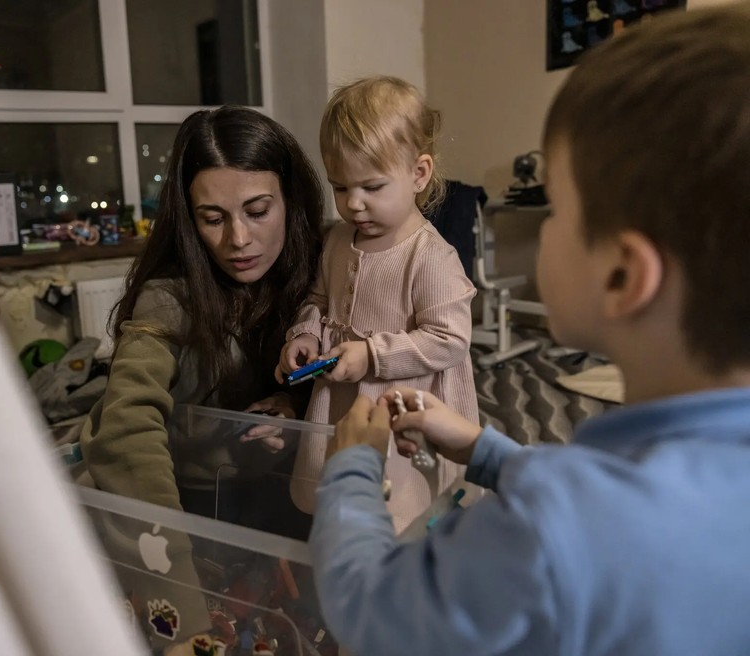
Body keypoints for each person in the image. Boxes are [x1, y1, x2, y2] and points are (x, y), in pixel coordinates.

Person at [308, 5, 750, 655]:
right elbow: (611, 493)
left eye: (557, 209)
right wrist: (488, 452)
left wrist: (349, 469)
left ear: (624, 276)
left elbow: (369, 610)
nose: (544, 228)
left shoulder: (546, 531)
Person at [79, 105, 323, 530]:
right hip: (197, 501)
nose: (239, 239)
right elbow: (126, 426)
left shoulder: (321, 271)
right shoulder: (167, 298)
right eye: (213, 219)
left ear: (291, 201)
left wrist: (293, 405)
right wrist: (169, 555)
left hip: (294, 486)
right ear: (191, 222)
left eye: (259, 211)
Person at [277, 76, 478, 532]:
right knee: (340, 498)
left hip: (402, 405)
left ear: (419, 174)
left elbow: (450, 340)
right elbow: (318, 297)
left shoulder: (431, 256)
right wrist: (305, 332)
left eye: (371, 187)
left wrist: (371, 355)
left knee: (399, 505)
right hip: (340, 398)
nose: (354, 204)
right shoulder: (337, 240)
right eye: (340, 187)